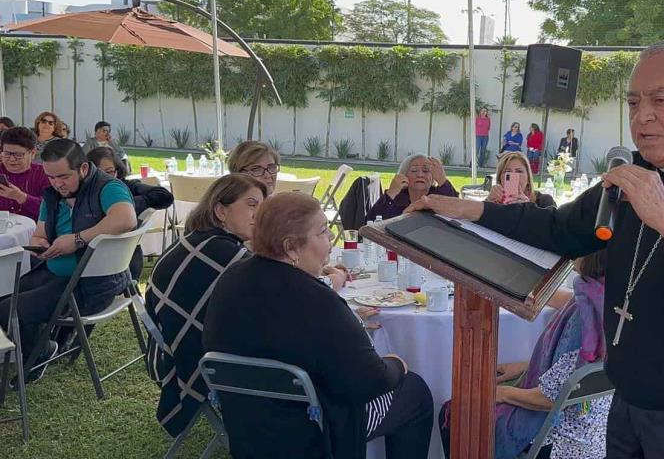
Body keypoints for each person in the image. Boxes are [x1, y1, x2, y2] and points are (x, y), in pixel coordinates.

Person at [409, 37, 664, 458]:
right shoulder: (635, 172)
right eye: (633, 103)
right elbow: (558, 228)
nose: (642, 117)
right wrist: (473, 211)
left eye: (660, 100)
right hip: (629, 402)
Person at [203, 192, 434, 458]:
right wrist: (396, 364)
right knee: (414, 392)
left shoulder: (231, 279)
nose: (330, 241)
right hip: (315, 430)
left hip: (247, 425)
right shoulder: (315, 299)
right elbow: (370, 380)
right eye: (323, 232)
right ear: (291, 247)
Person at [439, 250, 609, 459]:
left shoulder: (583, 318)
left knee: (457, 410)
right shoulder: (606, 298)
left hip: (559, 439)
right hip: (600, 435)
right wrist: (523, 366)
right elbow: (573, 368)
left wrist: (499, 393)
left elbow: (552, 397)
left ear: (592, 255)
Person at [0, 139, 137, 381]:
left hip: (91, 283)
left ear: (83, 168)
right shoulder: (52, 195)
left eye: (63, 176)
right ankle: (45, 347)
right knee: (3, 300)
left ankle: (40, 353)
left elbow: (125, 219)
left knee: (10, 310)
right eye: (51, 177)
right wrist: (40, 243)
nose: (57, 184)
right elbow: (40, 232)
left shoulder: (108, 187)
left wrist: (77, 239)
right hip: (55, 274)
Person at [146, 174, 267, 439]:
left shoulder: (197, 240)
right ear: (221, 210)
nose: (260, 214)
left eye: (262, 206)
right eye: (251, 204)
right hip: (199, 363)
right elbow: (279, 297)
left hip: (167, 353)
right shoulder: (228, 256)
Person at [88, 146, 174, 279]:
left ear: (118, 171)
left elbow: (165, 196)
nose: (103, 178)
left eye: (110, 172)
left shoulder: (125, 186)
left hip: (116, 263)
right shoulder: (84, 194)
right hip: (108, 263)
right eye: (98, 173)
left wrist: (126, 204)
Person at [365, 154, 456, 221]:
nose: (420, 175)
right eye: (414, 170)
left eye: (425, 170)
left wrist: (442, 181)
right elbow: (370, 222)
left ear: (433, 177)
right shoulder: (397, 197)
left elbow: (456, 209)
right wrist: (391, 193)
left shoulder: (439, 195)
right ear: (404, 175)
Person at [0, 127, 50, 221]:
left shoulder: (45, 173)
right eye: (6, 154)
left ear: (33, 153)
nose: (11, 159)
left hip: (35, 231)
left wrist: (22, 197)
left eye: (18, 155)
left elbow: (52, 210)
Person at [487, 152, 556, 209]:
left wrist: (528, 208)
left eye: (519, 171)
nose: (514, 176)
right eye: (508, 172)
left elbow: (555, 224)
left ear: (528, 177)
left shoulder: (544, 201)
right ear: (500, 178)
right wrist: (487, 203)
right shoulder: (495, 202)